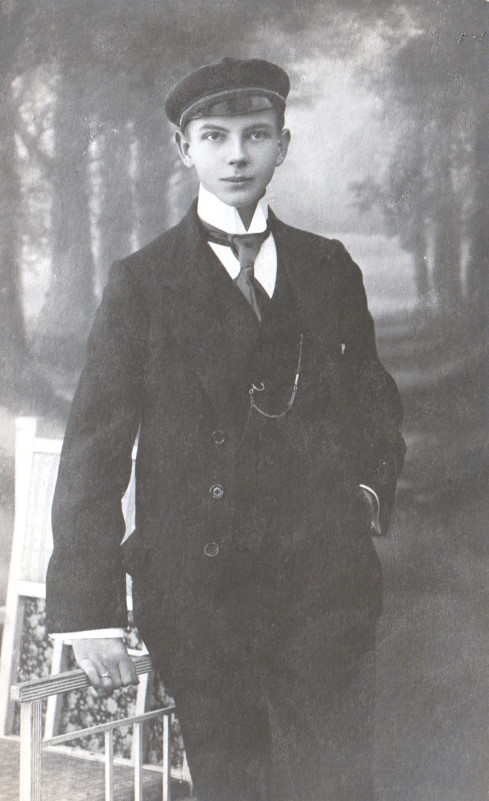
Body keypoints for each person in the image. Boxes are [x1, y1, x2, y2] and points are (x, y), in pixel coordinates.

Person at [46, 57, 405, 801]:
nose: (237, 155)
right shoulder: (143, 282)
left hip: (322, 588)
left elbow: (372, 398)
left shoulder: (327, 267)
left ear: (282, 145)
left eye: (255, 135)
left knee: (337, 783)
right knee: (233, 782)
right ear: (185, 149)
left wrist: (365, 495)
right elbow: (93, 449)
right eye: (214, 136)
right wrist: (90, 612)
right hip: (200, 597)